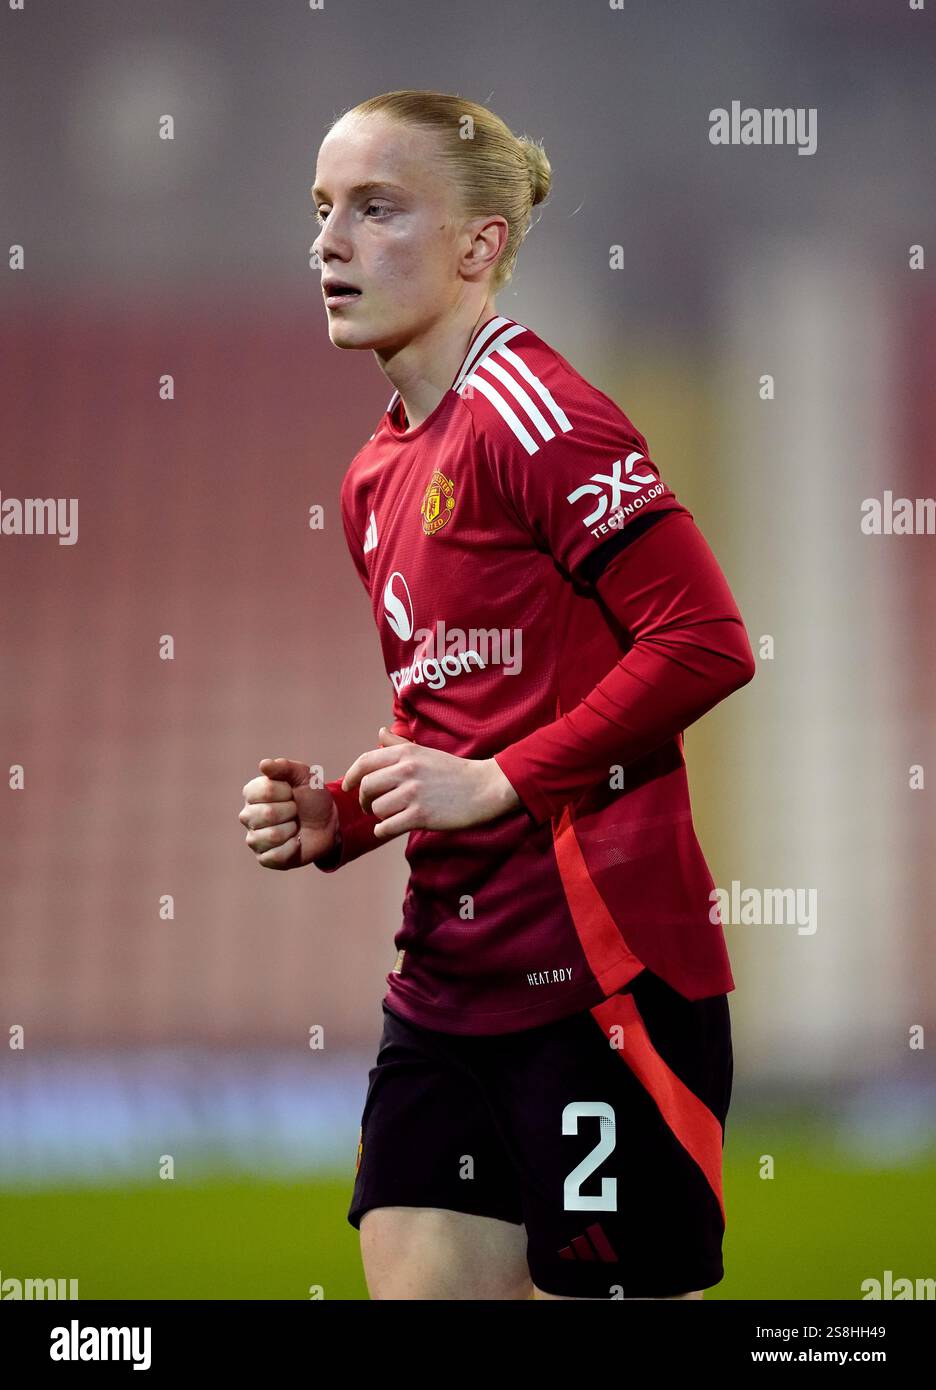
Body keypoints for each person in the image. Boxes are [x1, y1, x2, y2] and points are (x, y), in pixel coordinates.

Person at [238, 89, 756, 1301]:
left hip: (602, 984)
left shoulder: (539, 417)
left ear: (479, 246)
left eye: (375, 208)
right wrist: (349, 817)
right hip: (442, 990)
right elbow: (454, 717)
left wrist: (505, 780)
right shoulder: (375, 473)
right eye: (321, 211)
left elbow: (710, 641)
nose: (328, 243)